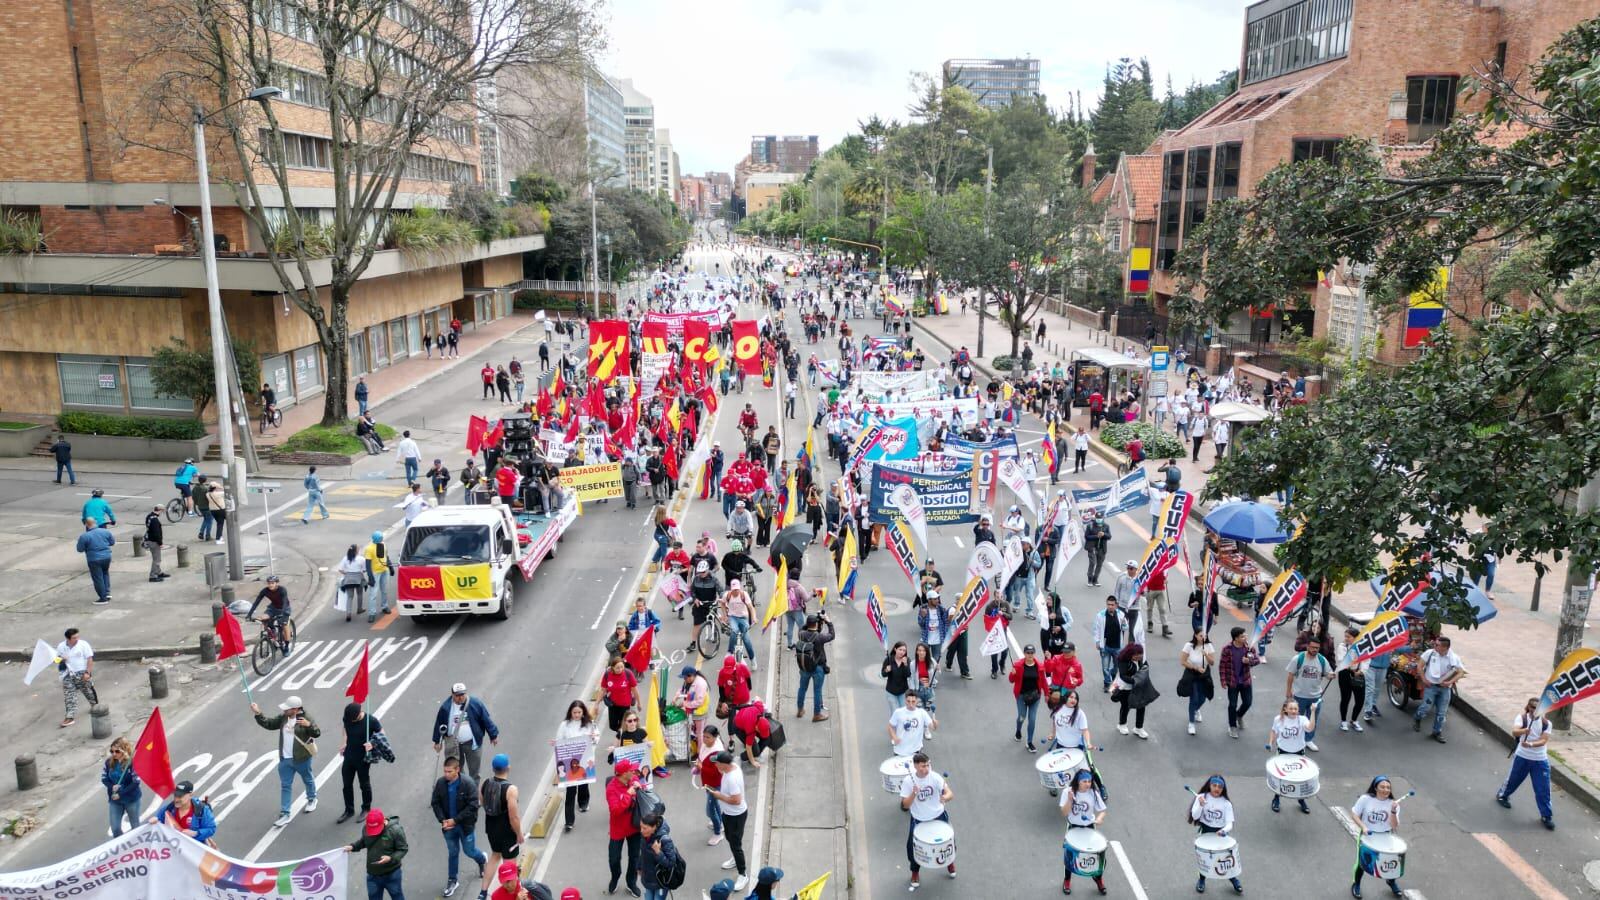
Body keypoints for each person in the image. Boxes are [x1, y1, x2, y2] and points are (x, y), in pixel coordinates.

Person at [251, 696, 320, 828]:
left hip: (302, 758)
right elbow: (269, 724)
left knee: (307, 779)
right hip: (285, 759)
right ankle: (285, 813)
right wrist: (258, 713)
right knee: (285, 785)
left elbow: (317, 733)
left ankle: (312, 798)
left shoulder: (306, 719)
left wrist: (309, 725)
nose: (284, 710)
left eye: (287, 709)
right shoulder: (284, 718)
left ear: (295, 709)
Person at [432, 755, 487, 898]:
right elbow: (435, 802)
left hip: (465, 826)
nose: (446, 774)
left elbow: (473, 806)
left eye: (449, 771)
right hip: (448, 827)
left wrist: (455, 821)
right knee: (453, 853)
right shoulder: (441, 783)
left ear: (458, 770)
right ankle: (452, 880)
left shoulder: (468, 784)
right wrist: (443, 820)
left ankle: (482, 860)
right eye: (445, 771)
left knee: (470, 851)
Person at [899, 751, 956, 890]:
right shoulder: (908, 781)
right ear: (915, 766)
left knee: (948, 841)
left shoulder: (935, 777)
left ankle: (949, 862)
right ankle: (915, 872)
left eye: (928, 765)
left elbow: (950, 793)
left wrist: (945, 797)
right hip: (919, 819)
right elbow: (904, 806)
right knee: (912, 848)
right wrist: (914, 793)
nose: (927, 769)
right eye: (923, 766)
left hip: (938, 815)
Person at [1496, 696, 1555, 830]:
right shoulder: (1521, 718)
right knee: (1513, 780)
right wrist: (1524, 731)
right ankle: (1502, 796)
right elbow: (1515, 731)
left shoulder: (1547, 724)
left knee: (1543, 788)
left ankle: (1546, 815)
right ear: (1528, 707)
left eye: (1538, 708)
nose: (1535, 710)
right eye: (1533, 707)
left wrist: (1531, 744)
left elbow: (1544, 740)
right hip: (1522, 756)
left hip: (1540, 760)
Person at [1351, 776, 1405, 898]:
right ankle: (1356, 884)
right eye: (1382, 786)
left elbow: (1394, 825)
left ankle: (1391, 881)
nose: (1385, 790)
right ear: (1375, 787)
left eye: (1388, 787)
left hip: (1386, 836)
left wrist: (1393, 811)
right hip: (1367, 836)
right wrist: (1363, 827)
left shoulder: (1394, 804)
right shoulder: (1365, 799)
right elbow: (1354, 814)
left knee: (1391, 861)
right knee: (1362, 863)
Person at [433, 683, 500, 780]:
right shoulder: (446, 708)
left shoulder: (475, 703)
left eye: (462, 694)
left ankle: (473, 793)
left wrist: (493, 735)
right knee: (457, 771)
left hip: (472, 743)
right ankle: (463, 789)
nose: (460, 697)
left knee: (475, 772)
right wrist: (437, 741)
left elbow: (485, 718)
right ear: (452, 695)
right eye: (457, 695)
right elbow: (440, 724)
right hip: (454, 745)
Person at [1188, 776, 1243, 894]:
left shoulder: (1226, 804)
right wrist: (1200, 804)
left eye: (1220, 787)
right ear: (1210, 785)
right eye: (1214, 786)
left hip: (1220, 834)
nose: (1217, 789)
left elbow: (1230, 824)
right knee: (1205, 858)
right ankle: (1202, 880)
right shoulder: (1202, 797)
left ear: (1223, 789)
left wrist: (1223, 831)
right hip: (1205, 833)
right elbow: (1195, 816)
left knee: (1225, 859)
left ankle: (1233, 879)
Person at [479, 754, 521, 900]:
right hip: (507, 831)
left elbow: (483, 803)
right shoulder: (511, 789)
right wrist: (519, 834)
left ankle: (483, 892)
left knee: (494, 856)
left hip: (491, 827)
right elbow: (513, 817)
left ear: (493, 768)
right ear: (508, 767)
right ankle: (509, 896)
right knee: (509, 866)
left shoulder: (485, 783)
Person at [1059, 769, 1107, 895]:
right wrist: (1069, 800)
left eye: (1089, 781)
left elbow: (1102, 810)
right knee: (1070, 856)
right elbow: (1064, 813)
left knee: (1098, 856)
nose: (1088, 784)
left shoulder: (1093, 793)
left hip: (1089, 827)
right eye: (1084, 781)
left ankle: (1098, 879)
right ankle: (1067, 880)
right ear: (1078, 782)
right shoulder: (1067, 792)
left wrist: (1099, 818)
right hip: (1073, 828)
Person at [708, 751, 750, 891]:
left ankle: (743, 874)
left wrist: (719, 796)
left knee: (736, 845)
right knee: (729, 839)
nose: (715, 764)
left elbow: (737, 800)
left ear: (724, 764)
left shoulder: (731, 778)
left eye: (717, 762)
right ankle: (734, 860)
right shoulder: (732, 767)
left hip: (736, 816)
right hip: (728, 814)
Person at [344, 808, 407, 900]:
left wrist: (390, 858)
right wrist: (353, 847)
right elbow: (364, 841)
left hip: (392, 874)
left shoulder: (396, 831)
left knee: (397, 896)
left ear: (384, 821)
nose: (372, 831)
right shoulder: (366, 828)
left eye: (375, 828)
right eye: (371, 828)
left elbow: (403, 849)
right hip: (373, 875)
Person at [1284, 636, 1334, 751]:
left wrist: (1331, 675)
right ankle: (1294, 739)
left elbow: (1328, 673)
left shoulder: (1322, 660)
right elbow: (1290, 675)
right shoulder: (1298, 658)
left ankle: (1308, 740)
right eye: (1312, 647)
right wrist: (1288, 690)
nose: (1315, 650)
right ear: (1307, 647)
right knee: (1295, 719)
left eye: (1317, 648)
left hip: (1316, 697)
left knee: (1312, 720)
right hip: (1299, 696)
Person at [1267, 698, 1316, 814]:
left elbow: (1310, 728)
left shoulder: (1302, 719)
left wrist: (1313, 711)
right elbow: (1273, 731)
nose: (1294, 711)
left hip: (1298, 753)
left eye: (1295, 708)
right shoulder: (1278, 719)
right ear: (1285, 709)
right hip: (1283, 752)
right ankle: (1276, 799)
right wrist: (1270, 742)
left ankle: (1301, 799)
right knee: (1281, 778)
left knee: (1300, 778)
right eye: (1291, 708)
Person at [553, 701, 597, 833]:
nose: (577, 715)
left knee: (584, 784)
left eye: (579, 712)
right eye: (574, 712)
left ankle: (583, 802)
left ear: (583, 712)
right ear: (570, 713)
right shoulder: (564, 725)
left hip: (584, 759)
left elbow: (595, 739)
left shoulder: (589, 724)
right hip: (569, 761)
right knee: (570, 792)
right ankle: (569, 821)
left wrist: (593, 738)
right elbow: (559, 741)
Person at [1412, 636, 1464, 743]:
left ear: (1445, 647)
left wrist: (1449, 682)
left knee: (1442, 712)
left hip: (1445, 689)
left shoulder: (1453, 657)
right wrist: (1424, 679)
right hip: (1431, 686)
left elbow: (1461, 672)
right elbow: (1420, 666)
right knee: (1425, 708)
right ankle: (1417, 718)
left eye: (1437, 645)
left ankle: (1437, 732)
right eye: (1435, 644)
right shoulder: (1430, 653)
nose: (1434, 646)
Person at [605, 759, 643, 897]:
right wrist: (628, 794)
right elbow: (615, 810)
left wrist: (640, 787)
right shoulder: (611, 789)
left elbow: (643, 793)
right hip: (618, 829)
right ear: (622, 773)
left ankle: (631, 882)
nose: (633, 772)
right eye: (630, 770)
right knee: (614, 858)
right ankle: (615, 877)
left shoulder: (633, 780)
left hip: (634, 827)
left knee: (634, 857)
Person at [338, 702, 381, 825]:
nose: (350, 721)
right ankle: (349, 809)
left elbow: (382, 734)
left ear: (358, 715)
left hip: (363, 758)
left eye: (353, 719)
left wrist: (372, 743)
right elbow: (345, 728)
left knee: (364, 784)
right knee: (346, 784)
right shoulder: (348, 718)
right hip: (349, 756)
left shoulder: (371, 721)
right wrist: (344, 742)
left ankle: (366, 808)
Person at [1219, 627, 1260, 739]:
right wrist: (1223, 680)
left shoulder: (1249, 648)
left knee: (1248, 702)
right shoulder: (1227, 649)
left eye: (1245, 635)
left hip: (1246, 681)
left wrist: (1249, 661)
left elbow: (1257, 660)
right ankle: (1232, 726)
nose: (1245, 637)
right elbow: (1222, 665)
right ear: (1236, 638)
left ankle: (1239, 715)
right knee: (1232, 705)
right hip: (1232, 682)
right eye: (1242, 636)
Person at [795, 612, 834, 722]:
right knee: (817, 691)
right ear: (816, 624)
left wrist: (812, 622)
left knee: (802, 688)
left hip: (804, 667)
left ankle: (800, 710)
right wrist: (828, 621)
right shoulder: (819, 637)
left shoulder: (801, 634)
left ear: (807, 624)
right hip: (818, 668)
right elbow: (832, 635)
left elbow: (804, 628)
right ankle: (817, 714)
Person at [1113, 644, 1155, 739]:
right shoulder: (1122, 660)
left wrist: (1143, 674)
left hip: (1138, 686)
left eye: (1140, 656)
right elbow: (1123, 676)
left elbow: (1145, 667)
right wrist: (1135, 680)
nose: (1138, 658)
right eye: (1136, 656)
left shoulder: (1140, 658)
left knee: (1141, 706)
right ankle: (1122, 724)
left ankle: (1138, 728)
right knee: (1126, 706)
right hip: (1125, 686)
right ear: (1130, 654)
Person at [637, 810, 682, 900]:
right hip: (648, 878)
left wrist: (658, 852)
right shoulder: (644, 836)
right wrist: (639, 867)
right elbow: (643, 853)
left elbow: (671, 863)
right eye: (641, 827)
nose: (641, 831)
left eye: (645, 828)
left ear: (654, 827)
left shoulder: (665, 840)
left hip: (660, 881)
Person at [156, 780, 217, 845]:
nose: (176, 799)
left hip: (192, 850)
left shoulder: (202, 810)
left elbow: (211, 828)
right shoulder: (169, 808)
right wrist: (155, 820)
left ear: (190, 795)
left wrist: (195, 833)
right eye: (175, 795)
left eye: (180, 796)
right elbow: (159, 819)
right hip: (173, 848)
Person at [1009, 645, 1046, 752]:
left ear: (1034, 654)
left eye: (1032, 653)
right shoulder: (1018, 665)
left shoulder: (1039, 666)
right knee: (1022, 716)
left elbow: (1043, 681)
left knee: (1032, 719)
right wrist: (1013, 674)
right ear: (1024, 654)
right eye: (1028, 653)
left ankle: (1029, 742)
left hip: (1035, 696)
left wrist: (1047, 694)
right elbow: (1011, 680)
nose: (1030, 655)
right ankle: (1018, 730)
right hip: (1021, 696)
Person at [102, 736, 142, 836]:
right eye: (112, 751)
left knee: (135, 826)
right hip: (115, 800)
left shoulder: (132, 763)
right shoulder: (108, 763)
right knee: (115, 828)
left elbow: (136, 782)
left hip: (131, 799)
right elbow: (104, 778)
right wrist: (112, 787)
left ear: (124, 750)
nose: (114, 754)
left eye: (117, 751)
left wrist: (121, 794)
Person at [1180, 629, 1217, 736]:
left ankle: (1196, 710)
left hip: (1204, 675)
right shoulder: (1189, 645)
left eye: (1205, 636)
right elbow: (1183, 661)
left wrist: (1206, 655)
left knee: (1203, 698)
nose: (1203, 638)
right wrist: (1196, 668)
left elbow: (1212, 662)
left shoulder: (1209, 646)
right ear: (1196, 635)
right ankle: (1191, 723)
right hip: (1192, 674)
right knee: (1194, 698)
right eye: (1201, 635)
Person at [1092, 597, 1131, 692]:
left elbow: (1126, 627)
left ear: (1116, 605)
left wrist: (1124, 624)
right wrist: (1097, 641)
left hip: (1117, 646)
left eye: (1112, 605)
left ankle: (1113, 674)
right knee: (1105, 667)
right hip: (1105, 646)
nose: (1110, 606)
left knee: (1116, 666)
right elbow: (1096, 629)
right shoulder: (1100, 615)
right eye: (1108, 604)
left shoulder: (1121, 615)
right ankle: (1107, 683)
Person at [1335, 624, 1369, 733]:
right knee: (1345, 698)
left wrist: (1361, 671)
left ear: (1355, 637)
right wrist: (1353, 664)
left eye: (1348, 637)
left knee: (1360, 700)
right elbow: (1342, 660)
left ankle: (1354, 720)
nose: (1346, 639)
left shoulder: (1363, 647)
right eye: (1345, 636)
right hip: (1345, 674)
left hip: (1358, 674)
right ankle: (1343, 720)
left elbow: (1366, 659)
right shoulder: (1342, 646)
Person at [698, 725, 727, 846]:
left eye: (708, 737)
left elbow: (717, 772)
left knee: (710, 810)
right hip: (707, 782)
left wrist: (701, 767)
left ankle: (718, 833)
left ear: (715, 738)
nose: (704, 740)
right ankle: (720, 824)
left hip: (714, 784)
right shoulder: (707, 745)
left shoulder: (717, 753)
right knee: (714, 805)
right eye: (703, 736)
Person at [248, 575, 293, 654]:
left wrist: (282, 613)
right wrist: (249, 614)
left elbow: (285, 602)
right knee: (263, 619)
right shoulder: (265, 591)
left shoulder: (282, 590)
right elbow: (257, 602)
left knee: (284, 626)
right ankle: (273, 635)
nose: (270, 585)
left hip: (284, 608)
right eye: (269, 583)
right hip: (273, 608)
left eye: (272, 583)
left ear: (277, 583)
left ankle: (286, 646)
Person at [75, 517, 115, 604]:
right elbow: (112, 542)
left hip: (94, 559)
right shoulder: (105, 532)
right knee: (105, 573)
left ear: (86, 524)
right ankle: (107, 593)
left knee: (97, 578)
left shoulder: (85, 536)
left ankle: (103, 598)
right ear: (95, 522)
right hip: (106, 556)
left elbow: (79, 549)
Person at [888, 690, 936, 757]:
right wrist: (894, 737)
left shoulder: (922, 713)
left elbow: (933, 727)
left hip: (916, 752)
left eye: (913, 701)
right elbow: (890, 726)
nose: (910, 704)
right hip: (900, 751)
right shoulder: (898, 712)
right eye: (908, 701)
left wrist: (935, 723)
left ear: (917, 701)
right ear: (905, 700)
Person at [600, 657, 640, 734]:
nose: (620, 669)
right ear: (612, 668)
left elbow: (634, 690)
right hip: (613, 704)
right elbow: (603, 689)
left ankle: (622, 738)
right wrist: (596, 704)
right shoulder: (607, 674)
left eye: (622, 667)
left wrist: (639, 703)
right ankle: (621, 734)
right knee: (613, 725)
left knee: (624, 724)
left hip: (625, 705)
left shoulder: (628, 673)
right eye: (617, 668)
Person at [364, 532, 395, 622]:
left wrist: (391, 567)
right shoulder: (369, 549)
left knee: (384, 590)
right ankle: (371, 613)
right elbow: (368, 564)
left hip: (384, 570)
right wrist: (370, 577)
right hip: (375, 573)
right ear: (376, 538)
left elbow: (386, 556)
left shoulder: (383, 545)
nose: (382, 539)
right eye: (381, 538)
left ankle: (384, 606)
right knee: (373, 594)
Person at [1113, 560, 1143, 635]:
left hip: (1134, 608)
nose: (1129, 570)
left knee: (1132, 631)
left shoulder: (1140, 579)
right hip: (1122, 607)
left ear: (1136, 569)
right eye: (1128, 568)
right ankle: (1119, 646)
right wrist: (1116, 604)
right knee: (1120, 629)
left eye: (1131, 568)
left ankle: (1131, 646)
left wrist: (1142, 592)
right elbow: (1116, 591)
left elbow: (1145, 593)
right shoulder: (1121, 577)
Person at [140, 505, 169, 582]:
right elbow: (157, 533)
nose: (162, 513)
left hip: (149, 539)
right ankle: (153, 576)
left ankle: (158, 572)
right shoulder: (155, 520)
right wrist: (160, 543)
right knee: (157, 559)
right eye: (162, 511)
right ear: (160, 510)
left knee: (156, 558)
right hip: (154, 541)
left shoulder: (149, 516)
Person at [882, 641, 912, 714]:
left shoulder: (907, 660)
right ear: (895, 649)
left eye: (904, 650)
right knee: (895, 712)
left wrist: (905, 664)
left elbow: (908, 675)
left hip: (903, 691)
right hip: (891, 691)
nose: (902, 652)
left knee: (904, 712)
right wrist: (887, 670)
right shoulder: (889, 659)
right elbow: (883, 674)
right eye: (900, 649)